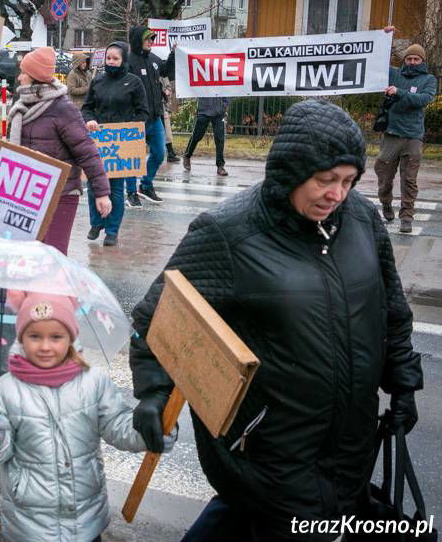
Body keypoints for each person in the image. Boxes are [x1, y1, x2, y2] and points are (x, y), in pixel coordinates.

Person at [129, 99, 424, 542]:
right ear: (290, 171)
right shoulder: (228, 233)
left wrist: (403, 382)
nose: (337, 195)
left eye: (348, 181)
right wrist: (154, 392)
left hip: (351, 442)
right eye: (325, 180)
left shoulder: (362, 219)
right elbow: (161, 320)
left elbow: (392, 310)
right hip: (269, 452)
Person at [0, 290, 165, 541]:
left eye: (56, 337)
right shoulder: (7, 389)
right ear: (21, 338)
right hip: (30, 524)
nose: (45, 346)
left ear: (71, 337)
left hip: (85, 519)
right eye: (34, 336)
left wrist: (151, 429)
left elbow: (116, 427)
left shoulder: (93, 382)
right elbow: (0, 452)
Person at [0, 47, 112, 255]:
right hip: (27, 194)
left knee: (52, 257)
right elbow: (16, 147)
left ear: (35, 77)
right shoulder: (21, 107)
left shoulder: (63, 108)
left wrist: (101, 192)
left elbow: (87, 152)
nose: (18, 78)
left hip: (60, 194)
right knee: (28, 257)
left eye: (23, 73)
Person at [81, 42, 148, 246]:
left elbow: (143, 112)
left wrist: (128, 128)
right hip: (99, 142)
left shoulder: (134, 82)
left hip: (122, 144)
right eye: (108, 58)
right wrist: (89, 119)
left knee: (116, 190)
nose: (111, 62)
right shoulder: (98, 81)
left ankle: (112, 231)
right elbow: (87, 108)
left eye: (115, 58)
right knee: (94, 186)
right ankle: (96, 223)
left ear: (123, 60)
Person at [376, 31, 438, 234]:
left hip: (413, 137)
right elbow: (377, 61)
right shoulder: (395, 74)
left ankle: (406, 216)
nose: (412, 62)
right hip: (391, 134)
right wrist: (386, 37)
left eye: (416, 58)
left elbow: (423, 100)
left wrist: (399, 92)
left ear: (422, 60)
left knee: (409, 179)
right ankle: (386, 203)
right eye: (409, 58)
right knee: (384, 176)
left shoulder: (429, 80)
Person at [125, 26, 174, 205]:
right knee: (132, 157)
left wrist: (173, 55)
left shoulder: (153, 59)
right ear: (138, 40)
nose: (151, 41)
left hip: (155, 117)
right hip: (135, 119)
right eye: (148, 38)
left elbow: (166, 70)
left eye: (152, 39)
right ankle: (131, 192)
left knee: (159, 153)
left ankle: (145, 185)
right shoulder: (128, 61)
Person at [182, 97, 230, 176]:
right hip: (203, 111)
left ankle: (220, 166)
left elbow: (228, 90)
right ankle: (187, 155)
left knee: (220, 138)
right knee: (197, 136)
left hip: (219, 113)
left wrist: (224, 104)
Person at [162, 76, 180, 163]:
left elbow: (168, 88)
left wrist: (167, 91)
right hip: (149, 108)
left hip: (162, 106)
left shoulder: (162, 74)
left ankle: (170, 153)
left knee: (167, 130)